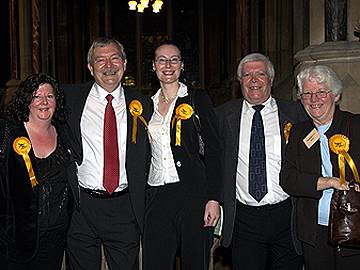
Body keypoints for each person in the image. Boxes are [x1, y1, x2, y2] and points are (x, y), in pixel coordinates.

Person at [63, 37, 152, 270]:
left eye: (114, 59)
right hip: (82, 207)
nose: (108, 66)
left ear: (124, 63)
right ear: (90, 68)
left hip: (124, 208)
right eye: (100, 61)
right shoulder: (69, 99)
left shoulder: (143, 103)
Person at [216, 53, 305, 270]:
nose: (253, 80)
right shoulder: (223, 116)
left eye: (260, 74)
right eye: (247, 75)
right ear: (240, 82)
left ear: (271, 80)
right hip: (244, 219)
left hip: (288, 215)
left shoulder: (296, 113)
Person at [142, 41, 223, 270]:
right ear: (154, 66)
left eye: (174, 59)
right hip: (157, 195)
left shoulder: (198, 99)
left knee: (194, 262)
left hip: (193, 194)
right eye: (162, 60)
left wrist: (213, 198)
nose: (168, 65)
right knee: (155, 262)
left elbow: (215, 151)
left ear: (182, 65)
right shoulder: (146, 106)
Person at [280, 65, 360, 269]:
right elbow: (288, 179)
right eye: (307, 93)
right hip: (314, 232)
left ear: (336, 95)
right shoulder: (298, 133)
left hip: (354, 226)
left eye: (321, 92)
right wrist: (327, 182)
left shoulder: (354, 125)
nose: (314, 99)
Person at [0, 73, 74, 269]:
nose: (44, 102)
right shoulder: (9, 133)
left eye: (49, 96)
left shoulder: (65, 133)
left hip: (56, 236)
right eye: (36, 96)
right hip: (17, 238)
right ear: (27, 100)